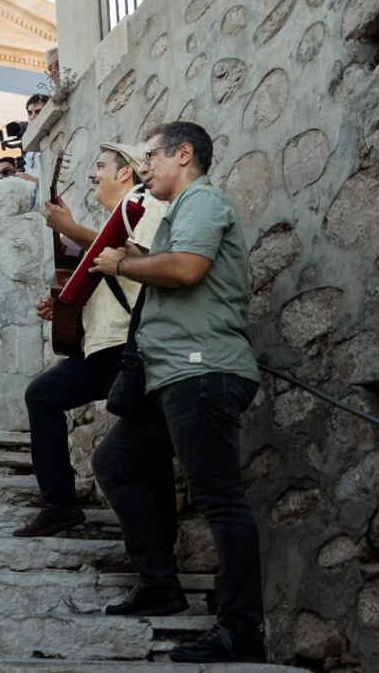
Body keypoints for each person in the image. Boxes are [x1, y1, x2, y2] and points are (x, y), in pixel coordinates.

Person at [89, 122, 266, 663]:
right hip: (176, 377)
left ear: (183, 154)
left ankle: (240, 631)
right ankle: (161, 585)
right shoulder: (184, 210)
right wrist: (136, 259)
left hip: (203, 370)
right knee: (115, 463)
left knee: (219, 501)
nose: (143, 168)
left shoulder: (202, 201)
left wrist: (123, 262)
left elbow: (188, 269)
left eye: (150, 156)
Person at [13, 143, 165, 538]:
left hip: (127, 345)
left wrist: (70, 228)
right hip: (97, 346)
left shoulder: (142, 203)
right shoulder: (115, 216)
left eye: (100, 166)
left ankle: (159, 552)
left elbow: (138, 258)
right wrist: (62, 304)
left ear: (126, 173)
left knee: (142, 449)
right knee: (41, 395)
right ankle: (60, 505)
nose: (92, 175)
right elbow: (98, 273)